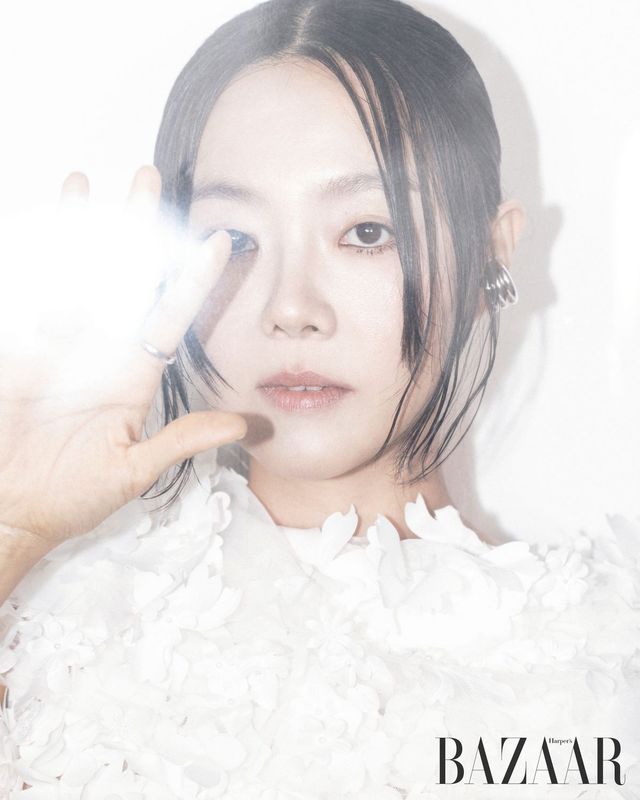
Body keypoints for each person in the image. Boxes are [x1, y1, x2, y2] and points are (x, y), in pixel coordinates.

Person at [0, 0, 638, 796]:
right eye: (235, 240)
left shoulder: (607, 672)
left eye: (367, 232)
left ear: (490, 253)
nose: (292, 307)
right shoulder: (52, 610)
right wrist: (12, 533)